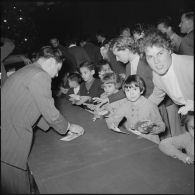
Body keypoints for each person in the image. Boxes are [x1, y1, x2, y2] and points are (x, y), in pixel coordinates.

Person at [1, 46, 84, 194]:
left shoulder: (27, 71)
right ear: (52, 61)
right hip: (11, 141)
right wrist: (69, 127)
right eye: (58, 69)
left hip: (6, 135)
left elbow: (31, 106)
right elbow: (49, 111)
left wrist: (51, 126)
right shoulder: (40, 75)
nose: (57, 74)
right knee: (19, 188)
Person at [141, 29, 194, 134]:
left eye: (160, 53)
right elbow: (157, 96)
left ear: (169, 50)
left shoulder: (190, 66)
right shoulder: (157, 75)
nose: (156, 61)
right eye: (150, 57)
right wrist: (140, 109)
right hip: (187, 113)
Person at [106, 75, 165, 144]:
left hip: (151, 141)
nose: (131, 93)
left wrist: (149, 129)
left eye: (135, 89)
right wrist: (112, 124)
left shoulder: (150, 105)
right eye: (128, 90)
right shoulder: (125, 105)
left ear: (141, 90)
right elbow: (113, 118)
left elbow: (162, 126)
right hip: (134, 141)